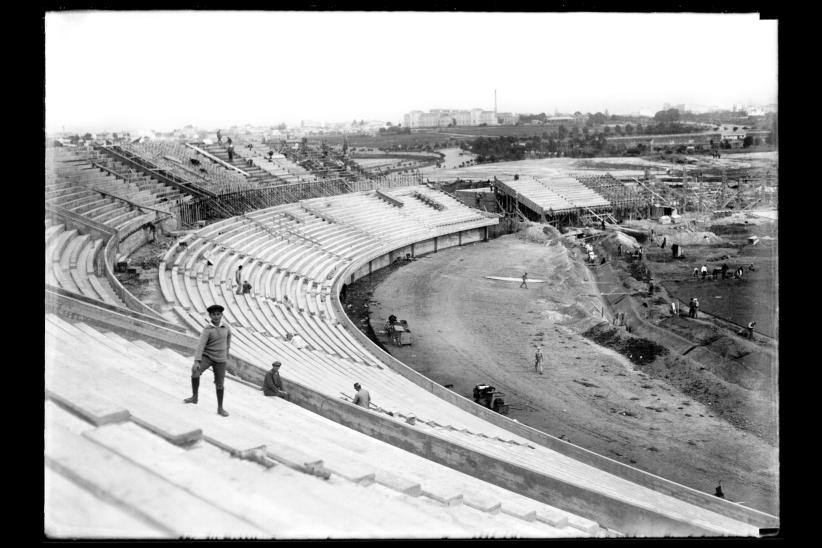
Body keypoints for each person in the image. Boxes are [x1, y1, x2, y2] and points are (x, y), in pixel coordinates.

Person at [184, 304, 231, 417]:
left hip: (221, 359)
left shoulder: (226, 327)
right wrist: (197, 361)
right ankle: (194, 397)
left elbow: (228, 339)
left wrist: (226, 353)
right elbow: (201, 345)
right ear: (210, 316)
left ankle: (220, 408)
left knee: (220, 384)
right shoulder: (207, 329)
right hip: (207, 356)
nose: (216, 317)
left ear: (221, 315)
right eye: (213, 315)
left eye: (218, 314)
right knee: (195, 372)